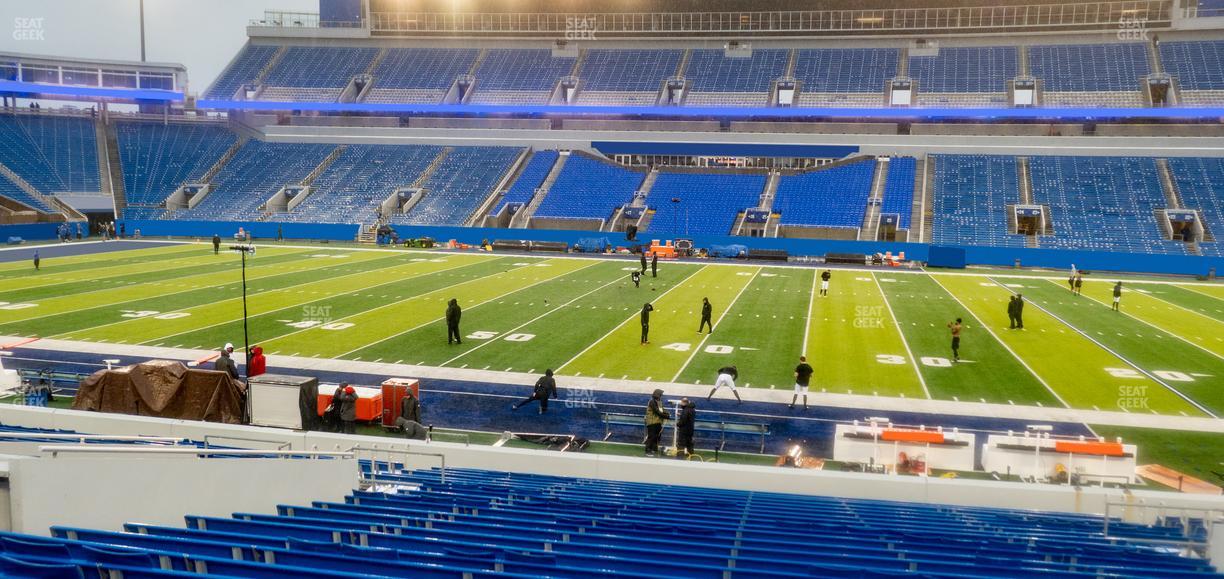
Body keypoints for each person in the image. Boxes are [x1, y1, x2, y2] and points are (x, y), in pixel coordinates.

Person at [643, 388, 670, 457]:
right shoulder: (652, 402)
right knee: (651, 437)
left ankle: (654, 449)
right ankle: (647, 451)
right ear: (657, 395)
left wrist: (667, 414)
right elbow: (657, 411)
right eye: (660, 395)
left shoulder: (659, 401)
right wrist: (665, 416)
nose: (661, 396)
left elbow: (662, 409)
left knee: (657, 437)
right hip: (652, 422)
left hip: (658, 422)